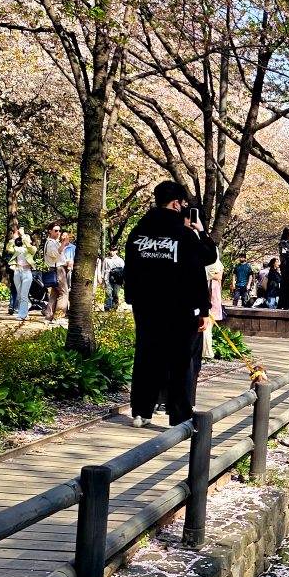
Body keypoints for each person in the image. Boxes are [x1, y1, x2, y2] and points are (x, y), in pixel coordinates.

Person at [122, 181, 217, 427]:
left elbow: (130, 269)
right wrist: (201, 231)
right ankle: (179, 415)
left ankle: (141, 412)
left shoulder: (137, 232)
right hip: (180, 308)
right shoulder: (184, 235)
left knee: (146, 356)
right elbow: (204, 263)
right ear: (176, 203)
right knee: (180, 359)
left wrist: (132, 297)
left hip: (146, 306)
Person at [6, 231, 36, 322]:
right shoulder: (18, 249)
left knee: (23, 295)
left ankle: (22, 315)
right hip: (17, 272)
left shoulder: (32, 249)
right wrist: (14, 238)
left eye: (27, 237)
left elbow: (31, 249)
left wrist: (23, 235)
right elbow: (9, 248)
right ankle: (25, 310)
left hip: (27, 272)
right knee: (19, 294)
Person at [203, 250, 224, 359]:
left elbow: (218, 276)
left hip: (211, 296)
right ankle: (206, 351)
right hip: (211, 296)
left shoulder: (213, 264)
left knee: (207, 326)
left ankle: (207, 351)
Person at [41, 223, 63, 321]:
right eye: (56, 230)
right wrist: (63, 244)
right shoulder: (50, 243)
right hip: (57, 269)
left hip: (56, 268)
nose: (58, 233)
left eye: (59, 230)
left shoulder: (54, 242)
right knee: (64, 293)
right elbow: (55, 254)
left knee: (54, 294)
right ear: (50, 231)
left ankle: (49, 315)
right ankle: (59, 316)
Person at [57, 231, 76, 317]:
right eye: (63, 235)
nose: (64, 237)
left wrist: (72, 264)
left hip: (70, 270)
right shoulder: (58, 245)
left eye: (66, 235)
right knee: (63, 291)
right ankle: (64, 309)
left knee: (69, 289)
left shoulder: (73, 247)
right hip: (61, 269)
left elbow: (75, 258)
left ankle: (71, 309)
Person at [277, 226, 289, 309]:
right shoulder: (283, 243)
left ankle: (288, 303)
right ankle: (284, 304)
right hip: (286, 266)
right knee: (285, 285)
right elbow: (285, 254)